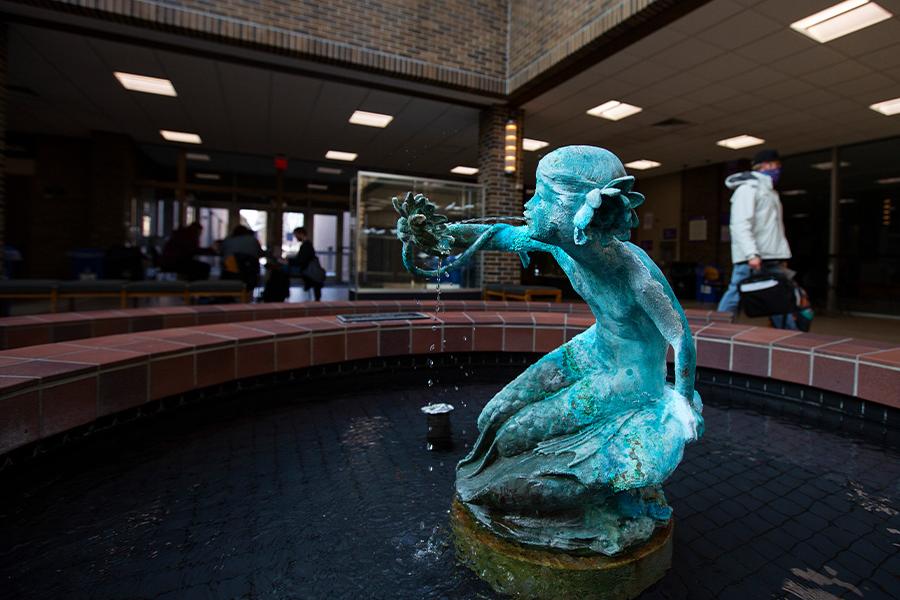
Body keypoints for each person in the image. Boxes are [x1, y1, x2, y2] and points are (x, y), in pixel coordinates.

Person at [395, 146, 703, 554]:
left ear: (578, 211)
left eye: (540, 194)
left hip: (627, 377)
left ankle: (589, 504)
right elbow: (499, 235)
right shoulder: (562, 245)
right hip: (593, 350)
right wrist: (440, 235)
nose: (529, 203)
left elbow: (681, 337)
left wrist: (679, 407)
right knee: (495, 416)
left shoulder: (634, 272)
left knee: (516, 438)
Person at [717, 149, 797, 329]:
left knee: (778, 296)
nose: (778, 170)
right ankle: (715, 328)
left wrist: (780, 255)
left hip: (769, 255)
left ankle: (787, 335)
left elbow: (772, 228)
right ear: (765, 165)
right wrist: (751, 253)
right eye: (776, 165)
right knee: (736, 293)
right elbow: (740, 224)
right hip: (752, 256)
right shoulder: (748, 189)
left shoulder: (770, 192)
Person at [220, 225, 263, 292]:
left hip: (231, 273)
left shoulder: (228, 240)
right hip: (250, 273)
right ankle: (247, 294)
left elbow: (222, 253)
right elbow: (260, 254)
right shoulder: (252, 240)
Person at [292, 227, 324, 301]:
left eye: (296, 235)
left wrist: (290, 262)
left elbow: (302, 260)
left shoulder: (306, 245)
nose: (296, 237)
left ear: (300, 234)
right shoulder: (307, 245)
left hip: (307, 270)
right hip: (308, 269)